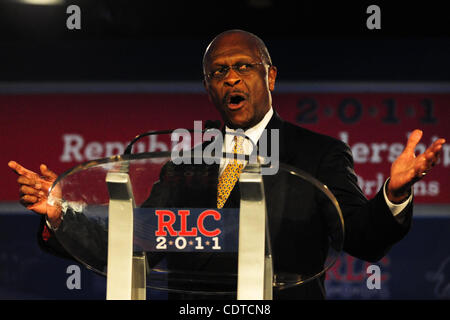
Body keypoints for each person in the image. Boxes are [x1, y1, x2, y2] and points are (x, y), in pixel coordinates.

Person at [8, 29, 446, 299]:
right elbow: (138, 241)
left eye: (242, 67)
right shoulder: (183, 164)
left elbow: (363, 238)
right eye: (218, 73)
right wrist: (61, 215)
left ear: (269, 77)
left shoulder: (318, 153)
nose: (231, 78)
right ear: (208, 87)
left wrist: (394, 192)